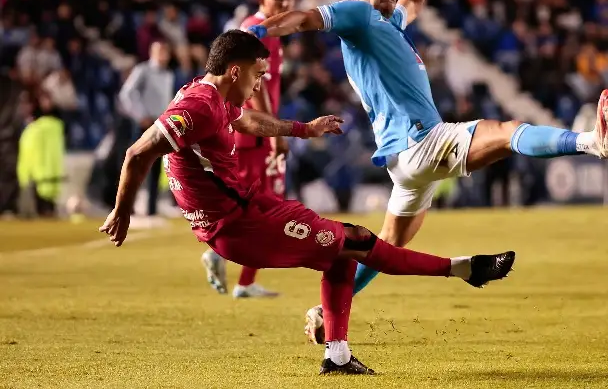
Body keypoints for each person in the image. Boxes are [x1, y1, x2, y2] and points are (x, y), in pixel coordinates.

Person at [242, 0, 608, 343]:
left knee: (385, 245)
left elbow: (413, 2)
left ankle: (324, 314)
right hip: (422, 140)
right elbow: (305, 18)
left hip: (405, 158)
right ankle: (592, 142)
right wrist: (259, 31)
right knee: (506, 129)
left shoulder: (387, 24)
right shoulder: (355, 15)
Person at [98, 30, 516, 375]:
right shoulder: (198, 104)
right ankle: (465, 268)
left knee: (340, 255)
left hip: (251, 207)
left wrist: (301, 129)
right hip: (235, 227)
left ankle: (337, 356)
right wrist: (123, 210)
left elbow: (246, 120)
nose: (260, 84)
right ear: (234, 70)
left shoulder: (217, 98)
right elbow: (138, 153)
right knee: (356, 239)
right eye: (258, 74)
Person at [201, 0, 297, 299]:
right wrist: (274, 132)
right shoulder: (256, 32)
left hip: (250, 130)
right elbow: (254, 88)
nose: (285, 3)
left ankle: (244, 279)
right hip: (253, 133)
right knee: (263, 204)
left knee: (261, 204)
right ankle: (220, 253)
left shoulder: (268, 30)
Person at [118, 41, 175, 217]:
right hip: (144, 125)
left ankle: (151, 210)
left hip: (160, 126)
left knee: (156, 169)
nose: (163, 54)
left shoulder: (168, 75)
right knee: (136, 166)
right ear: (152, 52)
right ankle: (126, 207)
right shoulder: (143, 70)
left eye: (165, 51)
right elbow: (126, 93)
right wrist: (140, 114)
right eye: (159, 51)